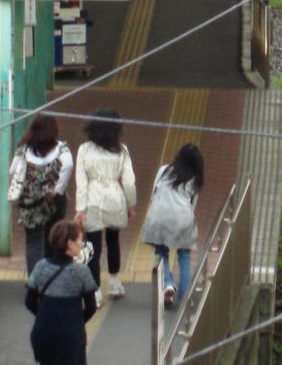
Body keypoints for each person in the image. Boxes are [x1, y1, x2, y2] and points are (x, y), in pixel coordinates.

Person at [74, 108, 136, 303]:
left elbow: (81, 182)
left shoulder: (84, 149)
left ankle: (95, 291)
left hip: (92, 199)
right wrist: (130, 204)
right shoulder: (122, 150)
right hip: (115, 199)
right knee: (113, 240)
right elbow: (128, 182)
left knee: (93, 246)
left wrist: (80, 209)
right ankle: (115, 282)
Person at [25, 219, 98, 365]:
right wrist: (75, 321)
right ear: (70, 244)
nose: (82, 243)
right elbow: (91, 307)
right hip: (71, 337)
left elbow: (29, 301)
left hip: (44, 333)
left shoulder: (40, 267)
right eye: (80, 240)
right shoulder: (81, 272)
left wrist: (45, 317)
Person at [9, 114, 73, 275]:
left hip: (29, 202)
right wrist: (58, 189)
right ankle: (53, 275)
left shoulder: (24, 148)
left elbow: (12, 171)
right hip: (53, 201)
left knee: (33, 241)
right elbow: (68, 165)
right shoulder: (61, 148)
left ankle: (35, 280)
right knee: (54, 237)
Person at [142, 143, 203, 308]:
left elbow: (154, 192)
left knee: (162, 253)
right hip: (183, 217)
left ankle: (168, 283)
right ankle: (185, 297)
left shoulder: (165, 170)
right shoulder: (195, 178)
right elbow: (193, 204)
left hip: (159, 215)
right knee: (184, 256)